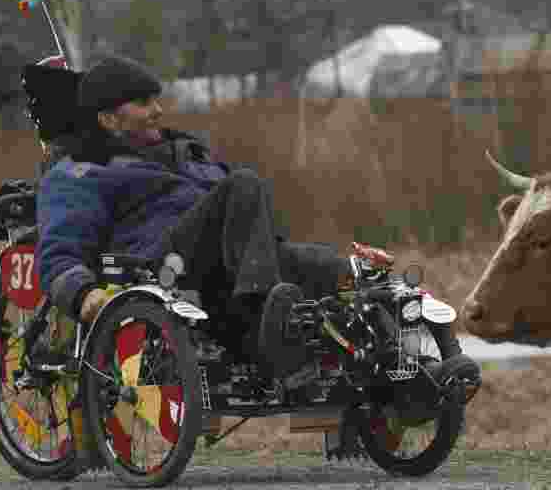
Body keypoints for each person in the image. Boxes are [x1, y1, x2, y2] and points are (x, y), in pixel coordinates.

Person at [36, 55, 353, 374]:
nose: (158, 110)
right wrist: (82, 294)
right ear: (108, 119)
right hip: (161, 270)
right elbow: (58, 251)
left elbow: (249, 227)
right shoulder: (82, 170)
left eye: (156, 100)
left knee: (338, 270)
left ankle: (377, 388)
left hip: (228, 267)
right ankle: (260, 324)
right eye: (144, 103)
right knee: (243, 183)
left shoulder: (187, 153)